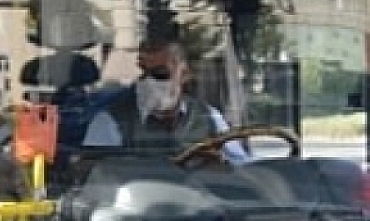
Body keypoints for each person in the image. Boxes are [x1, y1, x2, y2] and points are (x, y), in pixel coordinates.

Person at [82, 39, 248, 164]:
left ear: (184, 75)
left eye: (160, 74)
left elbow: (240, 166)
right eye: (143, 74)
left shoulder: (208, 117)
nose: (149, 82)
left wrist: (220, 164)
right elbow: (95, 177)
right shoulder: (110, 121)